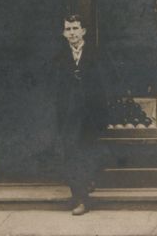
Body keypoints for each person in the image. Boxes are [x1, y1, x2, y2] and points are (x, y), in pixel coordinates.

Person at [50, 14, 110, 215]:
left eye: (76, 28)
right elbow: (54, 87)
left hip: (91, 113)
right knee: (70, 152)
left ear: (83, 31)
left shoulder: (96, 53)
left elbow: (106, 82)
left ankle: (86, 186)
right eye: (68, 29)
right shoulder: (58, 56)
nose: (72, 33)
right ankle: (79, 198)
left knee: (88, 152)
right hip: (69, 113)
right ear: (63, 33)